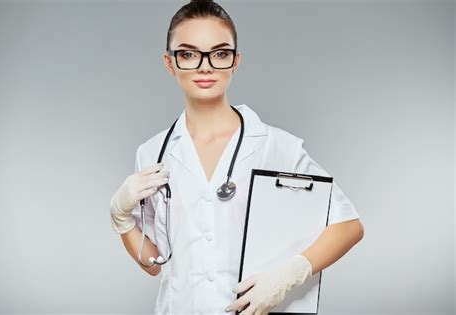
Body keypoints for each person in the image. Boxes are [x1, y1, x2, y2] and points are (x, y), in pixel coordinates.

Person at [109, 0, 365, 314]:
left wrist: (290, 275)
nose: (205, 66)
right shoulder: (152, 153)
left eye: (219, 54)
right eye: (188, 54)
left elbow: (348, 226)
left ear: (235, 61)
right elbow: (153, 264)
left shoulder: (276, 146)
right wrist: (122, 221)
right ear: (169, 62)